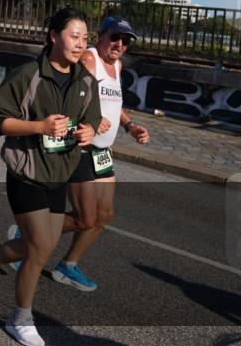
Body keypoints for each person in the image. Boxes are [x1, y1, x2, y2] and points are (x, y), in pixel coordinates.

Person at [0, 7, 100, 346]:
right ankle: (21, 317)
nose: (80, 43)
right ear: (53, 36)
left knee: (39, 244)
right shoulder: (27, 75)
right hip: (25, 172)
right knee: (41, 248)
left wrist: (88, 132)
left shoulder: (86, 81)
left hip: (60, 173)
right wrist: (39, 127)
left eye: (85, 38)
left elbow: (93, 121)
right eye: (74, 35)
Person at [46, 15, 149, 292]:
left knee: (104, 214)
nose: (119, 44)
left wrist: (130, 126)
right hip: (81, 147)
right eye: (115, 37)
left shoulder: (117, 65)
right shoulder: (89, 59)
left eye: (125, 40)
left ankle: (67, 265)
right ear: (101, 36)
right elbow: (69, 89)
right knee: (85, 217)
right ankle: (33, 232)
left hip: (103, 151)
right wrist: (90, 117)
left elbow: (115, 103)